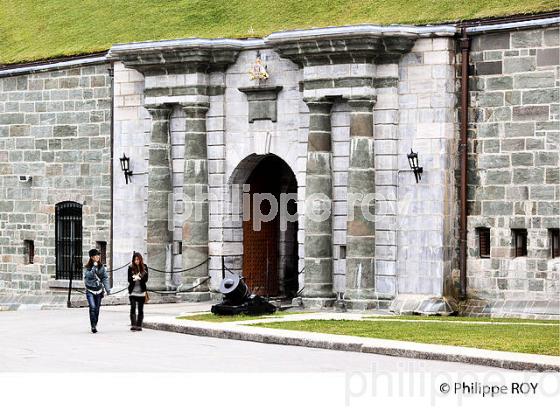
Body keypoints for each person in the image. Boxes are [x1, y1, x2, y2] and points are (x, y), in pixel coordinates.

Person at [84, 248, 111, 333]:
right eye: (96, 255)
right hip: (90, 290)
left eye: (98, 255)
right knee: (92, 307)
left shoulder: (101, 267)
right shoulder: (87, 267)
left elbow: (105, 278)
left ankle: (95, 324)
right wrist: (94, 267)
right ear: (92, 257)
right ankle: (92, 326)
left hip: (98, 290)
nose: (98, 256)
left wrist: (107, 289)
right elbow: (89, 276)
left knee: (97, 309)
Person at [128, 252, 149, 331]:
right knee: (133, 307)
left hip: (141, 292)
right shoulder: (130, 267)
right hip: (133, 291)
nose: (136, 261)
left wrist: (140, 278)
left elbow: (146, 279)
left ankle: (139, 325)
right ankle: (133, 324)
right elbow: (129, 279)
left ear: (140, 260)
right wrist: (133, 278)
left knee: (140, 309)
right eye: (135, 260)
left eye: (138, 259)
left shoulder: (144, 267)